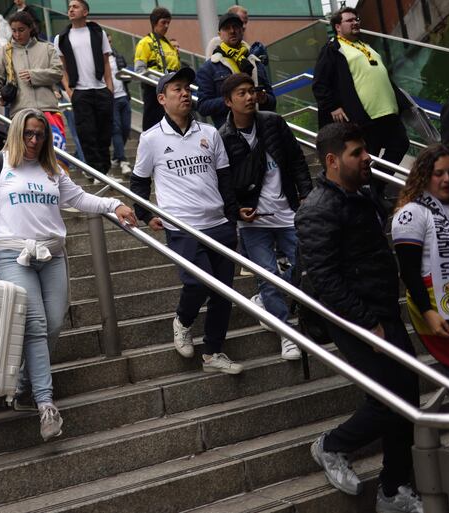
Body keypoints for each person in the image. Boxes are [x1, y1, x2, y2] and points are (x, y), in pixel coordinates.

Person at [0, 108, 136, 440]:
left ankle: (20, 383)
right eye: (28, 134)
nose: (33, 140)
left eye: (40, 134)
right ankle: (46, 404)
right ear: (17, 133)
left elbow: (78, 199)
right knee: (35, 325)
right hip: (10, 253)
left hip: (52, 253)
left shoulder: (52, 169)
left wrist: (112, 204)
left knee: (55, 323)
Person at [296, 122, 422, 513]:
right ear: (333, 160)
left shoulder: (360, 194)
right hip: (355, 317)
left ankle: (394, 487)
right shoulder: (317, 209)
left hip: (382, 307)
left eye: (365, 150)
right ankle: (332, 445)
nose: (367, 157)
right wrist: (369, 323)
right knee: (388, 400)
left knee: (408, 396)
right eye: (357, 152)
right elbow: (326, 280)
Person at [130, 68, 243, 375]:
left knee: (223, 293)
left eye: (186, 88)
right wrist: (145, 214)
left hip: (218, 223)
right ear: (161, 99)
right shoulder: (151, 139)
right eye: (176, 89)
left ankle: (214, 352)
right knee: (197, 281)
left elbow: (225, 178)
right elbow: (138, 183)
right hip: (182, 225)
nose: (184, 93)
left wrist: (231, 218)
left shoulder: (209, 133)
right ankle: (182, 320)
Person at [218, 73, 312, 361]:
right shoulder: (222, 137)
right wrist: (235, 212)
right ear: (228, 102)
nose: (250, 97)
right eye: (242, 94)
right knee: (268, 275)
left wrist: (306, 194)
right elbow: (222, 181)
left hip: (287, 212)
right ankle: (287, 333)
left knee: (302, 267)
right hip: (253, 221)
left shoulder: (273, 122)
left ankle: (264, 297)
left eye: (252, 91)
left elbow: (296, 158)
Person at [312, 7, 410, 168]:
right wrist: (333, 106)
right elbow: (319, 83)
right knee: (367, 156)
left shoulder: (364, 45)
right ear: (337, 27)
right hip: (365, 117)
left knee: (400, 145)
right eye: (349, 20)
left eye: (356, 19)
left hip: (388, 112)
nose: (355, 22)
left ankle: (376, 185)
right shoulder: (332, 49)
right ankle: (370, 189)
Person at [393, 144, 449, 378]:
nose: (447, 179)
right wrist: (428, 312)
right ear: (425, 175)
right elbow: (408, 271)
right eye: (439, 173)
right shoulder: (412, 213)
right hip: (434, 307)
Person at [54, 0, 114, 181]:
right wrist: (69, 91)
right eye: (70, 7)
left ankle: (106, 171)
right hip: (79, 92)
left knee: (104, 133)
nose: (71, 9)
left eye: (75, 6)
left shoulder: (98, 32)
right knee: (87, 134)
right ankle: (95, 172)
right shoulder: (61, 37)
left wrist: (109, 88)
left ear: (85, 11)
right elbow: (62, 68)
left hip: (101, 89)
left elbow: (105, 62)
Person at [195, 12, 275, 128]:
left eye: (236, 27)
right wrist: (233, 101)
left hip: (262, 130)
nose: (232, 31)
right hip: (231, 134)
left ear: (242, 30)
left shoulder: (256, 62)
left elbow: (272, 100)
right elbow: (203, 106)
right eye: (227, 28)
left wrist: (264, 99)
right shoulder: (209, 67)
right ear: (220, 35)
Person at [0, 11, 61, 116]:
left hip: (48, 109)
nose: (17, 35)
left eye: (21, 30)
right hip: (20, 112)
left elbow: (58, 73)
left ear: (30, 28)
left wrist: (34, 76)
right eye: (14, 31)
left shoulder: (47, 48)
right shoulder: (3, 52)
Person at [134, 7, 179, 131]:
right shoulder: (145, 43)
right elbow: (140, 70)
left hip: (171, 90)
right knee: (153, 128)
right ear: (154, 23)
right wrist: (161, 81)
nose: (166, 26)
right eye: (163, 22)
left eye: (168, 23)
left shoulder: (169, 45)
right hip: (153, 90)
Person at [108, 33, 131, 176]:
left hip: (123, 96)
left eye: (110, 41)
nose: (109, 44)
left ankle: (117, 156)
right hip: (110, 99)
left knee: (126, 128)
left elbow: (126, 74)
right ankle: (122, 160)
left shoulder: (118, 56)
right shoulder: (97, 60)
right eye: (106, 41)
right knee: (116, 129)